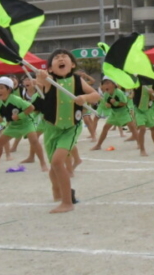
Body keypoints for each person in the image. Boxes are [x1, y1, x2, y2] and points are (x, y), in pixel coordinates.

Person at [33, 49, 100, 213]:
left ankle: (67, 202)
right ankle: (57, 192)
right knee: (53, 168)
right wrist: (40, 78)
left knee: (57, 162)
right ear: (50, 68)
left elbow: (96, 95)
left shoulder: (77, 80)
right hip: (51, 128)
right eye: (56, 58)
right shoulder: (49, 80)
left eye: (64, 57)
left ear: (72, 65)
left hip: (71, 128)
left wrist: (84, 98)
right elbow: (41, 83)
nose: (61, 59)